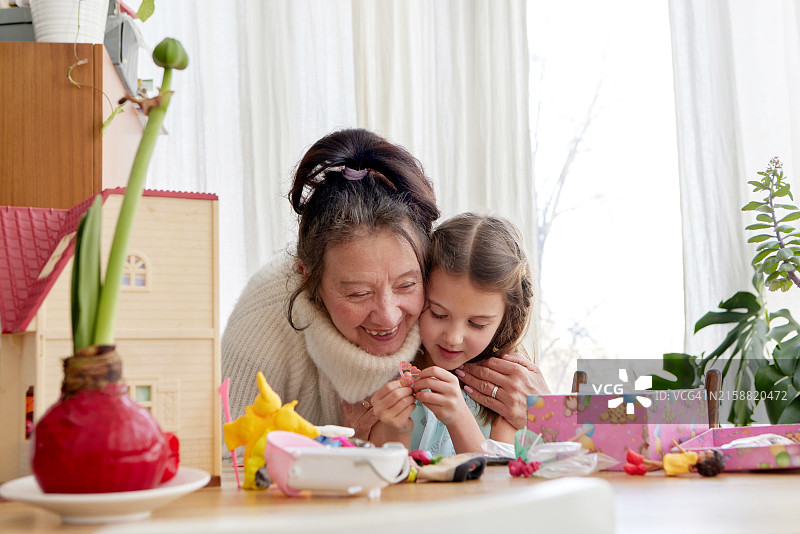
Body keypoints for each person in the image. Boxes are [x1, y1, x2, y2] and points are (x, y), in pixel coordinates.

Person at [222, 128, 439, 438]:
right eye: (359, 293)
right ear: (309, 277)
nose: (389, 316)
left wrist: (532, 409)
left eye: (406, 285)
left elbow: (521, 443)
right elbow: (231, 462)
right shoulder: (264, 320)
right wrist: (337, 448)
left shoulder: (448, 294)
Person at [370, 213, 541, 455]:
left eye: (477, 324)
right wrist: (395, 429)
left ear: (506, 321)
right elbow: (384, 479)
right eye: (438, 314)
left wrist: (459, 417)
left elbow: (498, 484)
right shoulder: (388, 370)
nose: (453, 338)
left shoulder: (506, 390)